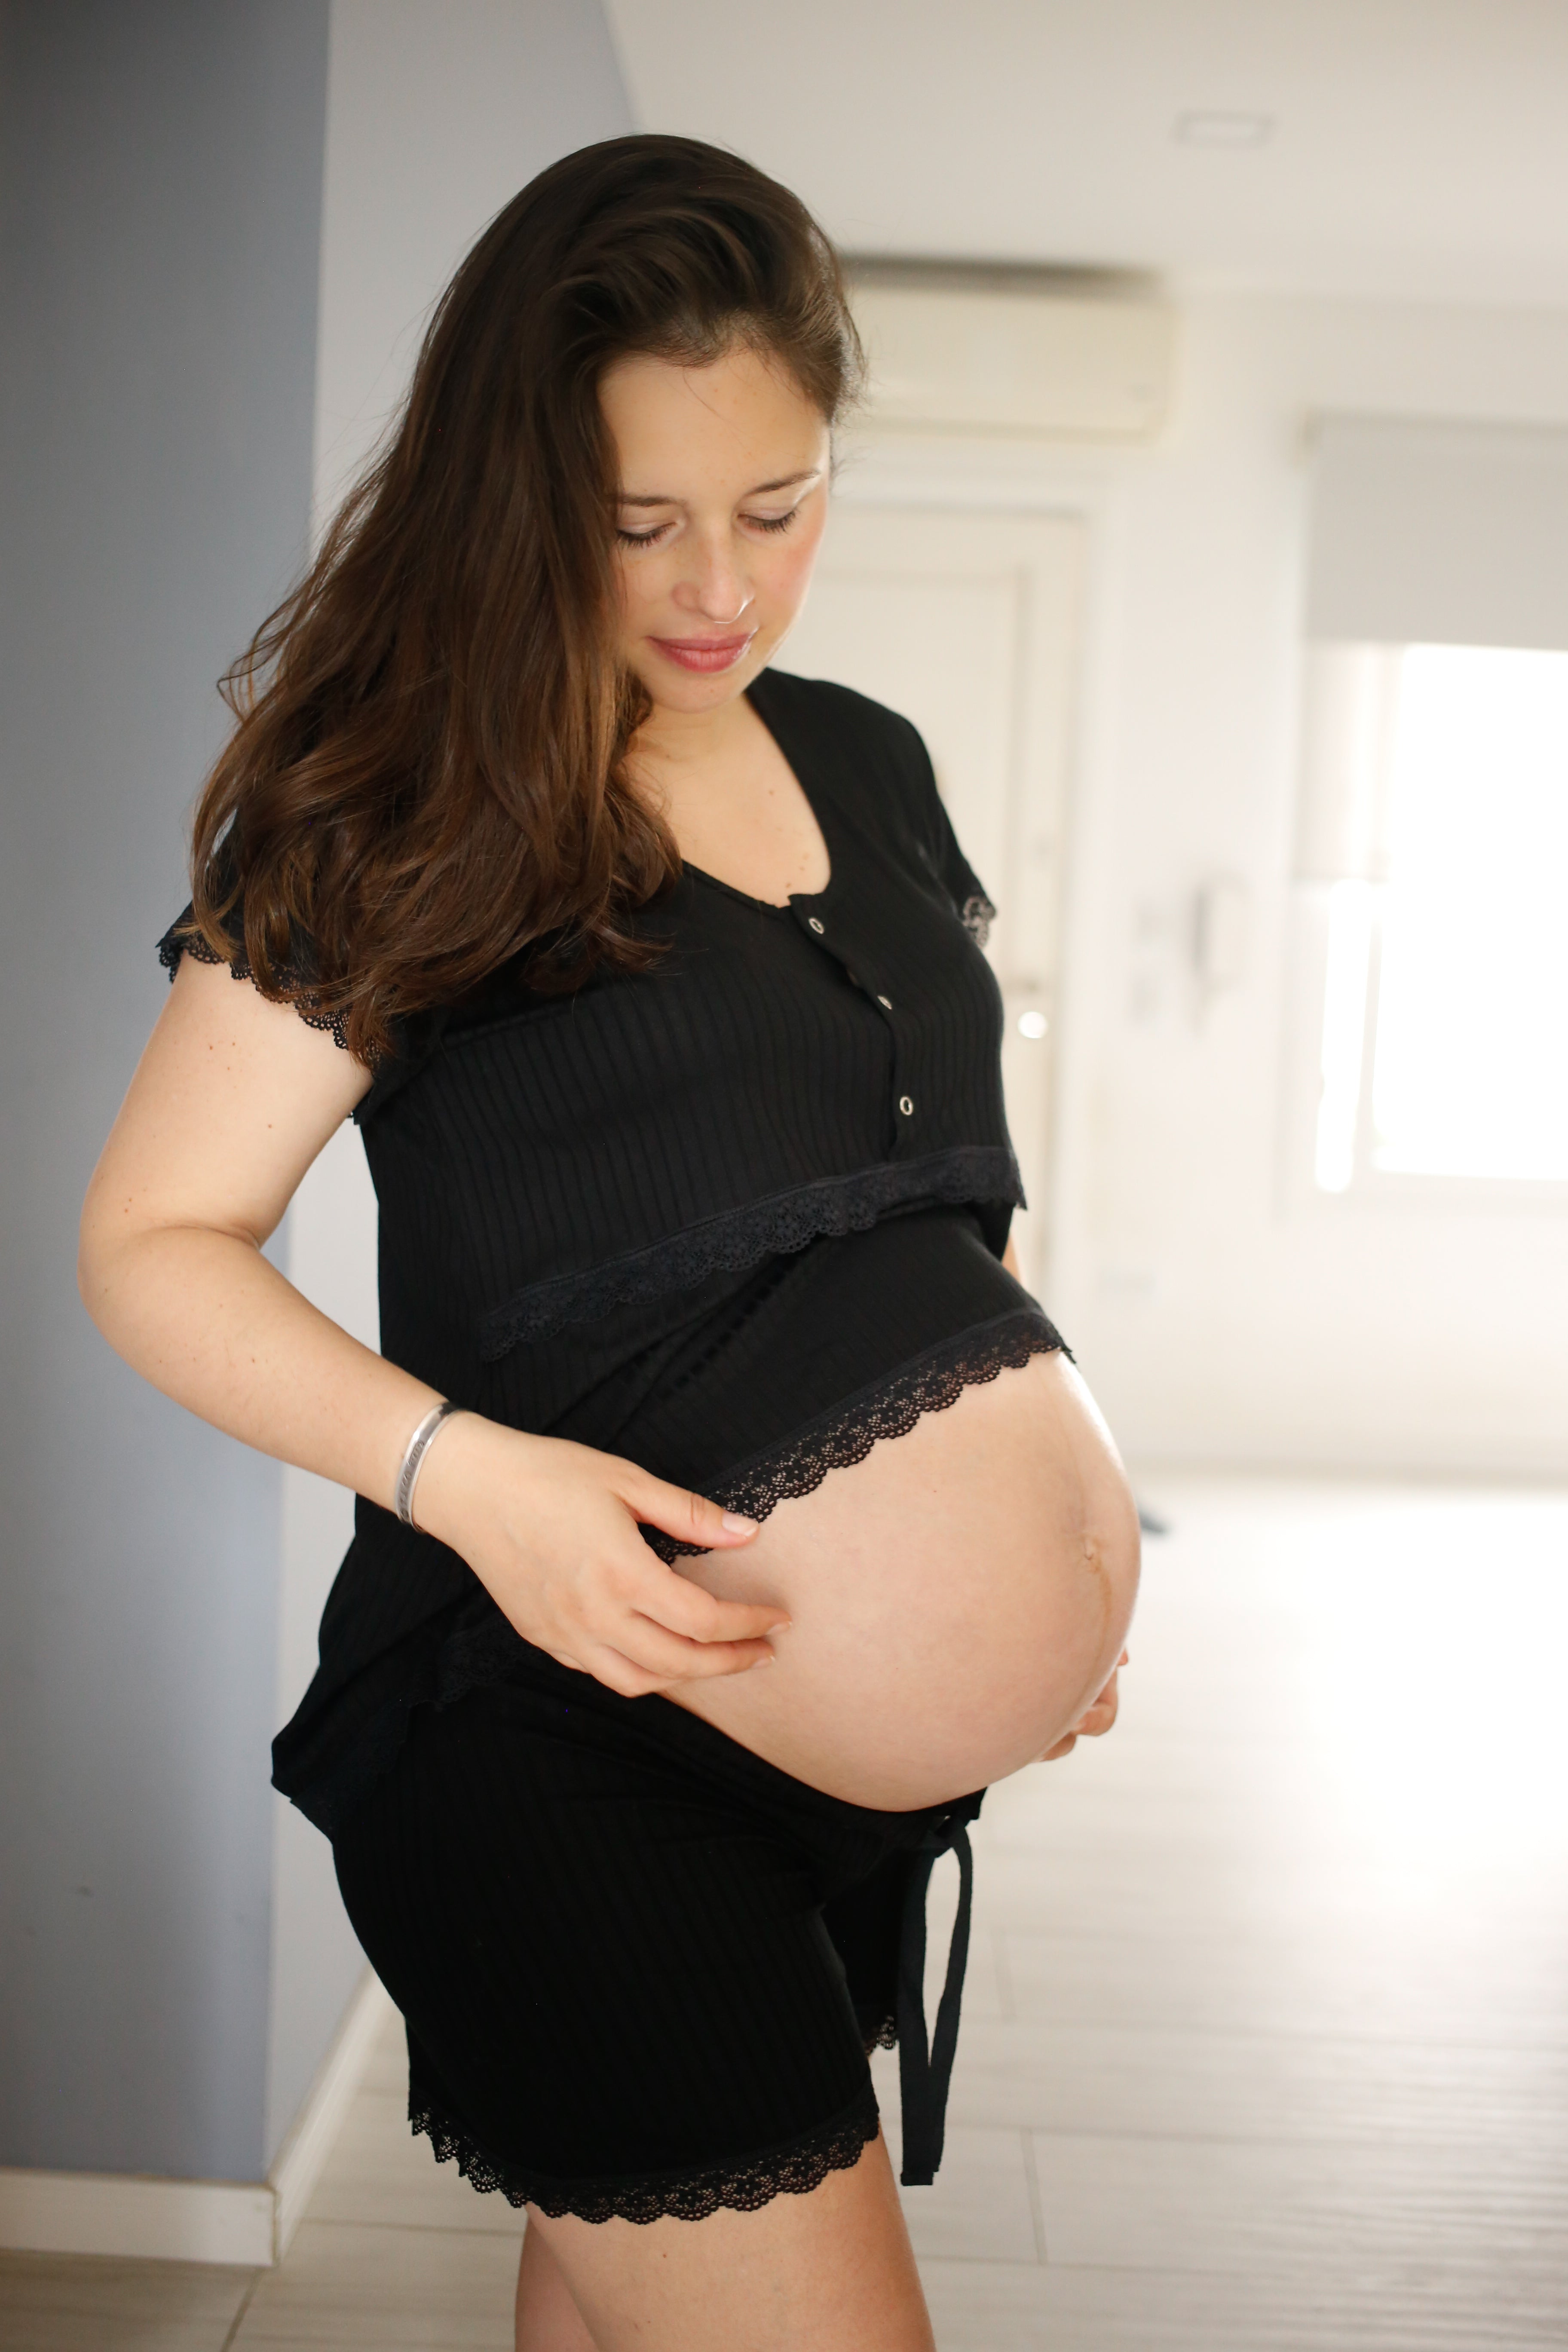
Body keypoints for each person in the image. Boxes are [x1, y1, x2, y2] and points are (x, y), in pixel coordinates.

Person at [78, 135, 1139, 2352]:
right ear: (512, 493)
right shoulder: (405, 796)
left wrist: (1050, 1571)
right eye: (639, 520)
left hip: (811, 1774)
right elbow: (157, 1239)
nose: (718, 587)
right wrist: (471, 1477)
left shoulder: (867, 762)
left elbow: (936, 1197)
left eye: (779, 504)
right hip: (560, 1743)